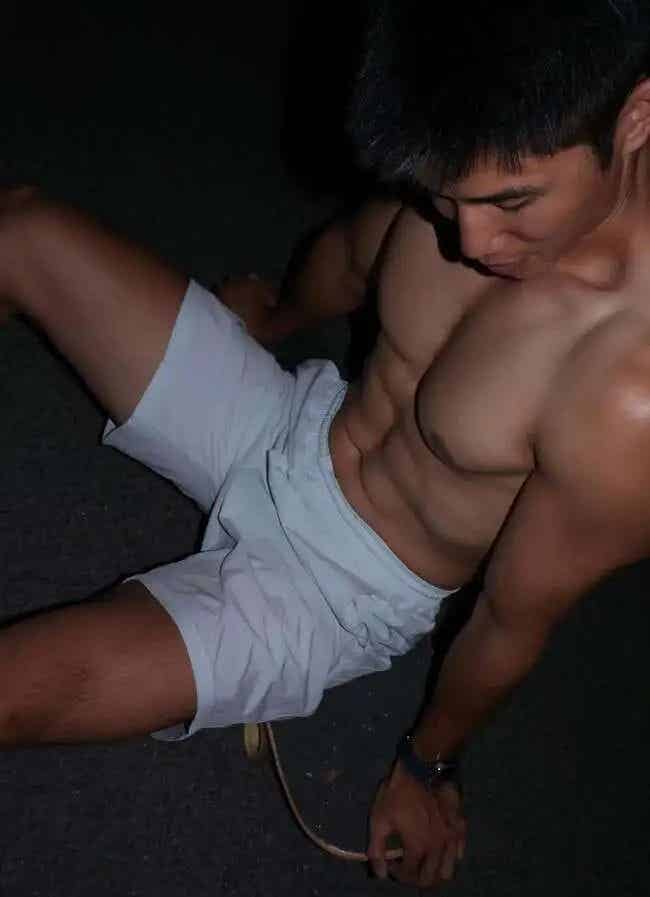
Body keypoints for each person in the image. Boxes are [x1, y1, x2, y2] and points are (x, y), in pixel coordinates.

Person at [1, 0, 650, 888]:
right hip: (293, 421)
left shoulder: (628, 401)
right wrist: (272, 317)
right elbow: (352, 256)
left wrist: (427, 764)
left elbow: (511, 619)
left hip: (332, 592)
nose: (469, 239)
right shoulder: (465, 135)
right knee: (20, 231)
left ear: (637, 116)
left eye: (512, 202)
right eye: (443, 194)